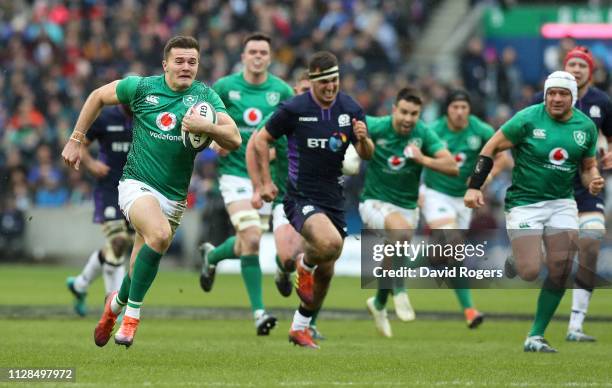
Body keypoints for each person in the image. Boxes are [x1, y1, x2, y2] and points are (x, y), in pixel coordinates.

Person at [61, 35, 240, 348]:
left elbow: (234, 138)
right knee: (157, 236)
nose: (186, 67)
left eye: (192, 62)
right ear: (165, 64)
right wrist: (76, 139)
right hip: (136, 185)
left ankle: (114, 305)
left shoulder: (204, 98)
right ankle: (131, 318)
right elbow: (97, 96)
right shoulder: (142, 88)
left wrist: (206, 127)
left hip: (174, 199)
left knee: (139, 267)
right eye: (180, 61)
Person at [464, 71, 603, 353]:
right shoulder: (527, 118)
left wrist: (593, 181)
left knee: (561, 267)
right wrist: (475, 187)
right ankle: (517, 258)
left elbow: (587, 167)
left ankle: (535, 335)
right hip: (525, 202)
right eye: (551, 92)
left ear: (573, 98)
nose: (555, 98)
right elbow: (491, 147)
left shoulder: (585, 127)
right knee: (529, 271)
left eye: (563, 93)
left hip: (562, 202)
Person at [253, 51, 374, 349]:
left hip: (333, 198)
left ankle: (299, 328)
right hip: (299, 197)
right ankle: (303, 266)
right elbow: (260, 140)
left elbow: (367, 154)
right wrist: (265, 182)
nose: (330, 87)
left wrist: (363, 139)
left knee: (328, 269)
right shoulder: (294, 108)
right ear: (312, 81)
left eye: (334, 80)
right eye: (324, 82)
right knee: (330, 245)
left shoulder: (351, 109)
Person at [197, 32, 294, 336]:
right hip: (235, 175)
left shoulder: (282, 91)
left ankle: (212, 256)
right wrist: (215, 142)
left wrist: (277, 152)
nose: (257, 57)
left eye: (263, 52)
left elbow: (294, 133)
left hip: (269, 178)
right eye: (252, 51)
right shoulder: (225, 87)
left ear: (270, 57)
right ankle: (259, 313)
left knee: (247, 242)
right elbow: (205, 120)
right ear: (243, 56)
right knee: (252, 239)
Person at [529, 47, 612, 342]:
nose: (576, 69)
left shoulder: (602, 102)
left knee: (590, 244)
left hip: (587, 187)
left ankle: (575, 324)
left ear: (591, 70)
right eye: (571, 64)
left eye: (582, 64)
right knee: (553, 261)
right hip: (549, 189)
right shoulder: (542, 100)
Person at [361, 87, 458, 337]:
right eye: (403, 112)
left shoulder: (423, 133)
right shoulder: (377, 126)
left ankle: (380, 303)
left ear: (419, 114)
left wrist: (423, 160)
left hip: (408, 206)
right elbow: (350, 124)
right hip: (374, 202)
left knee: (393, 256)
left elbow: (451, 166)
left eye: (414, 114)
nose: (408, 118)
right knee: (402, 234)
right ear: (394, 109)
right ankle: (400, 290)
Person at [244, 70, 324, 340]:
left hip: (321, 199)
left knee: (324, 258)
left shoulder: (326, 117)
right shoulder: (283, 116)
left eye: (308, 90)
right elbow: (254, 146)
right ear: (294, 91)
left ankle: (306, 324)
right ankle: (283, 268)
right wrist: (259, 186)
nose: (304, 95)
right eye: (300, 91)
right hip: (286, 198)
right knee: (291, 258)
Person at [421, 90, 508, 328]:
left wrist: (487, 177)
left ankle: (424, 262)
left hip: (464, 200)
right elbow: (417, 160)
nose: (460, 112)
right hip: (436, 194)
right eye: (455, 107)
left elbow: (504, 160)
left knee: (446, 255)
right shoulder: (433, 131)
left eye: (464, 107)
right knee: (454, 243)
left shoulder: (481, 131)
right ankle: (470, 308)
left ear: (469, 110)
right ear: (447, 109)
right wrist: (418, 190)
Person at [66, 104, 133, 317]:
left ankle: (80, 283)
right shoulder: (106, 118)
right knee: (118, 242)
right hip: (109, 190)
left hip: (136, 192)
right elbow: (82, 145)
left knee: (119, 248)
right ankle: (114, 306)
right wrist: (91, 164)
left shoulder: (147, 116)